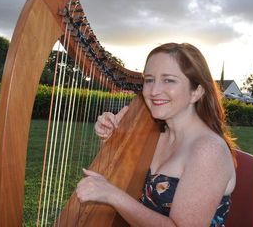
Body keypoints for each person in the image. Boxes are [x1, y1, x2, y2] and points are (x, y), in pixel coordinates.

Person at [76, 43, 237, 227]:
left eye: (169, 80)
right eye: (149, 79)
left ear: (196, 92)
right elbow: (124, 178)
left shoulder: (208, 149)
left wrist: (112, 194)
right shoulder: (153, 137)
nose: (153, 91)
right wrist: (111, 140)